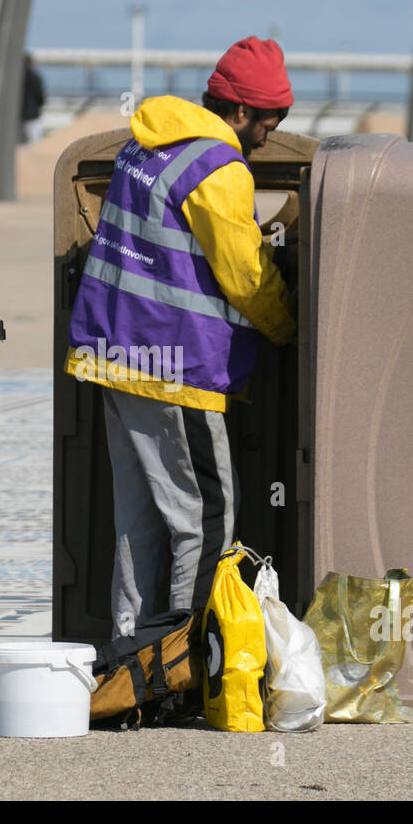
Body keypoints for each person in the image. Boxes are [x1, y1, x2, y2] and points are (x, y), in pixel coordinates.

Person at [64, 36, 297, 638]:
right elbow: (246, 275)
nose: (273, 130)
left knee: (139, 515)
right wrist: (288, 328)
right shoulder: (219, 169)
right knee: (206, 517)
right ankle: (184, 660)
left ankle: (131, 652)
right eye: (272, 116)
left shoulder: (145, 148)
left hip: (112, 355)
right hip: (176, 370)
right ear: (240, 111)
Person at [21, 53, 45, 143]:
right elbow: (40, 97)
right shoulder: (35, 78)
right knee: (34, 143)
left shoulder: (17, 78)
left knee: (21, 144)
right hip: (33, 116)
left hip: (20, 116)